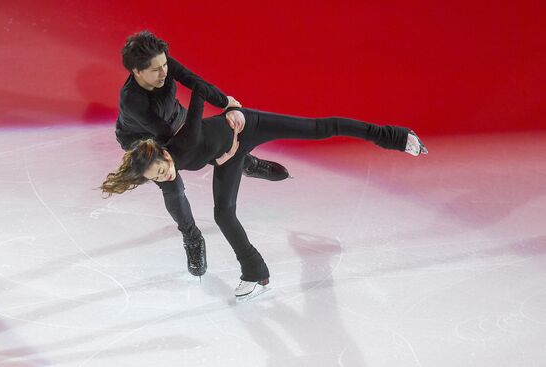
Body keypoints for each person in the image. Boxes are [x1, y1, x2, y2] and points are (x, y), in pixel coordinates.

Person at [101, 80, 428, 300]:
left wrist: (227, 105)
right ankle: (255, 272)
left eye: (161, 169)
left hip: (248, 125)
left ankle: (395, 137)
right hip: (229, 156)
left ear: (162, 154)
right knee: (223, 213)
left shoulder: (180, 144)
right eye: (157, 177)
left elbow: (198, 93)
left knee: (319, 128)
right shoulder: (162, 167)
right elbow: (183, 180)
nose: (165, 175)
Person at [115, 31, 289, 278]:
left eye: (165, 64)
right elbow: (171, 140)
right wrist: (214, 153)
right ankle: (192, 236)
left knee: (209, 145)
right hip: (147, 140)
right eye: (156, 70)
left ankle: (247, 163)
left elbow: (194, 80)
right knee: (171, 184)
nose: (164, 72)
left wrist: (225, 102)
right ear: (136, 71)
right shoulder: (133, 101)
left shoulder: (161, 63)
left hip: (176, 119)